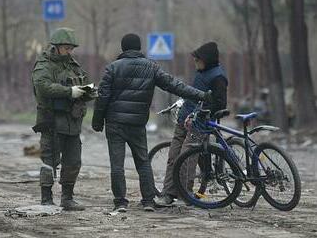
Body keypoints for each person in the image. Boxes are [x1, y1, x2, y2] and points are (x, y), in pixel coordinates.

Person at [91, 33, 211, 212]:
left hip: (115, 123)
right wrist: (201, 95)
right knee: (142, 161)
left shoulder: (112, 68)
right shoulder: (151, 67)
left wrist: (97, 121)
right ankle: (148, 200)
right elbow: (174, 85)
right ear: (139, 47)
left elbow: (103, 97)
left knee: (117, 164)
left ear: (123, 48)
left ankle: (121, 203)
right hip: (137, 124)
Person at [155, 42, 228, 206]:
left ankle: (185, 194)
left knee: (186, 158)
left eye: (197, 60)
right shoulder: (201, 73)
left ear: (206, 59)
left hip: (199, 124)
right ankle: (168, 193)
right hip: (184, 119)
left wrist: (196, 115)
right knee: (173, 156)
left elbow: (219, 104)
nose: (195, 63)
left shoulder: (218, 77)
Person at [32, 27, 94, 211]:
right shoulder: (44, 65)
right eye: (66, 48)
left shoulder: (73, 65)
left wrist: (88, 92)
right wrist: (69, 92)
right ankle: (46, 198)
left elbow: (83, 82)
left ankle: (67, 198)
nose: (69, 51)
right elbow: (43, 87)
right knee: (49, 160)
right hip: (52, 121)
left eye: (71, 48)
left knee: (73, 161)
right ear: (56, 46)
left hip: (73, 122)